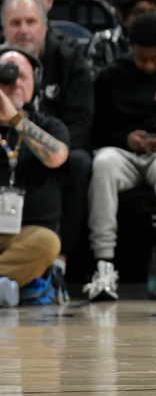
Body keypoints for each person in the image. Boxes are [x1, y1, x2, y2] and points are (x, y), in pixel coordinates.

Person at [83, 12, 156, 302]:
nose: (149, 65)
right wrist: (125, 139)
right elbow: (94, 132)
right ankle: (103, 264)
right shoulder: (110, 76)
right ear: (130, 48)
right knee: (103, 162)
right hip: (124, 155)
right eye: (142, 58)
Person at [0, 47, 69, 306]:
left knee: (47, 243)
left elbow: (56, 157)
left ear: (35, 84)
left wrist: (15, 118)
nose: (14, 83)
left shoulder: (50, 125)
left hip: (25, 235)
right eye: (6, 76)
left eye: (22, 77)